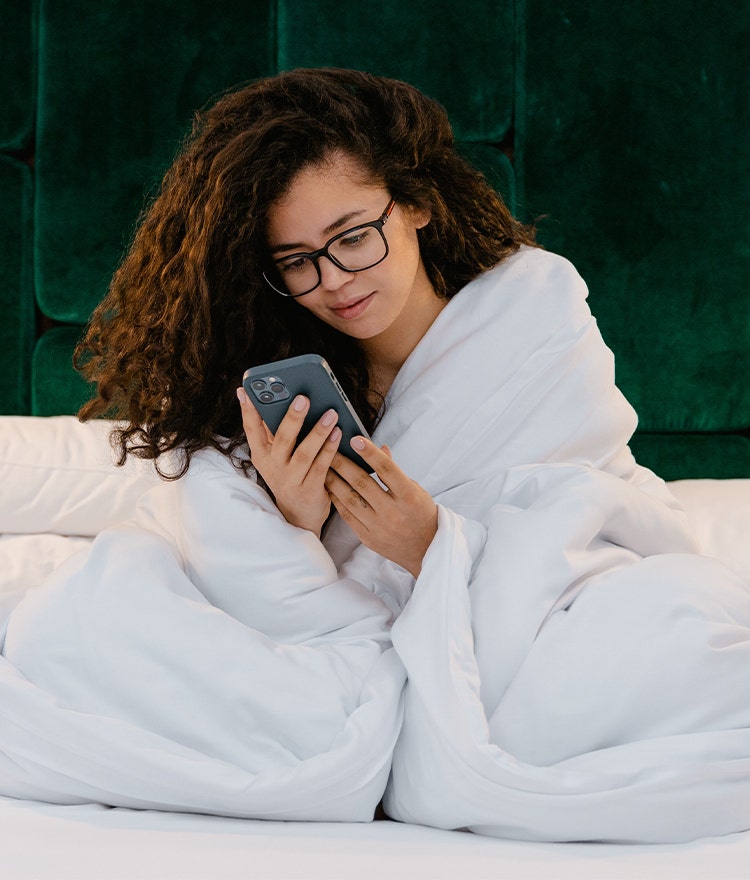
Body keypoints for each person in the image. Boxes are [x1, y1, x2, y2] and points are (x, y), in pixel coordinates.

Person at [2, 68, 749, 842]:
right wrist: (292, 522)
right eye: (296, 260)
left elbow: (585, 503)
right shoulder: (270, 365)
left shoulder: (531, 318)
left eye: (353, 237)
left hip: (523, 613)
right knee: (84, 621)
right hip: (338, 642)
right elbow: (218, 539)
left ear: (418, 202)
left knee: (674, 642)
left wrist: (435, 547)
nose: (334, 282)